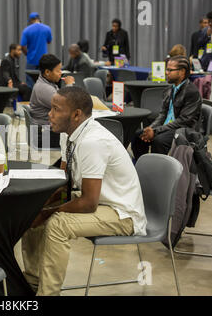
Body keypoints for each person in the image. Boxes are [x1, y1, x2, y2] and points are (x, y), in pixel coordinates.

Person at [22, 86, 146, 296]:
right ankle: (32, 284)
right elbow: (63, 184)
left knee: (57, 224)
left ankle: (48, 294)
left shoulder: (92, 142)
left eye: (55, 109)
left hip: (122, 213)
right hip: (100, 202)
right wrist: (40, 207)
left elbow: (89, 203)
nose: (49, 115)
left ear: (76, 115)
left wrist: (47, 213)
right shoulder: (68, 134)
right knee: (32, 210)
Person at [131, 56, 202, 161]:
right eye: (166, 69)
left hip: (184, 130)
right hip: (168, 127)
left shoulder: (192, 92)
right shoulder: (169, 89)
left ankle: (159, 172)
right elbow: (163, 114)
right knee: (139, 135)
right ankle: (141, 166)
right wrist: (150, 129)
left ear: (182, 72)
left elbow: (184, 121)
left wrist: (155, 131)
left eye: (170, 70)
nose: (166, 72)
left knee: (159, 140)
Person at [30, 54, 74, 148]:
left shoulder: (48, 83)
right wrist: (69, 85)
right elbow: (66, 105)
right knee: (76, 139)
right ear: (47, 72)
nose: (60, 73)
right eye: (58, 70)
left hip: (46, 131)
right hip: (44, 135)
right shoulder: (44, 88)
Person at [21, 12, 52, 88]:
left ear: (30, 20)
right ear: (39, 19)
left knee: (30, 82)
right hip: (44, 60)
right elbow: (49, 41)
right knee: (44, 80)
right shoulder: (47, 28)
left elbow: (22, 46)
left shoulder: (27, 30)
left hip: (31, 60)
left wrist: (27, 54)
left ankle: (31, 98)